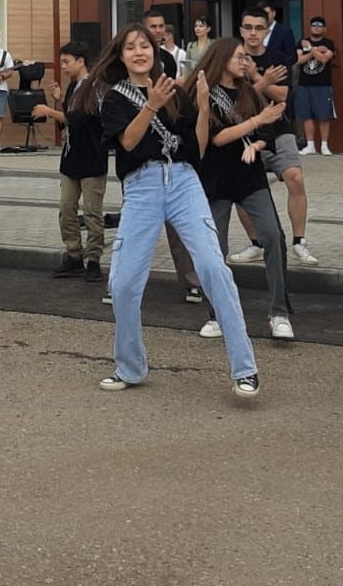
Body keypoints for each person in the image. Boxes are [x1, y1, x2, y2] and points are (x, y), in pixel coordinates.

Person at [84, 23, 260, 397]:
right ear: (121, 56)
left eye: (145, 45)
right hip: (142, 186)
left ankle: (245, 368)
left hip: (182, 182)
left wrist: (200, 107)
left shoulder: (174, 92)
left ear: (156, 51)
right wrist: (151, 105)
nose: (139, 52)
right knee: (124, 283)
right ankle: (130, 368)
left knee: (214, 268)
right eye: (130, 47)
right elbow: (129, 143)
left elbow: (195, 148)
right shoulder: (115, 97)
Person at [191, 38, 295, 341]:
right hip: (215, 180)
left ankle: (279, 312)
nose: (244, 61)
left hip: (250, 178)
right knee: (214, 249)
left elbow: (269, 132)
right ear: (221, 58)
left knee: (274, 236)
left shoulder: (250, 92)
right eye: (239, 56)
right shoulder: (206, 93)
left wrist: (258, 142)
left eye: (246, 57)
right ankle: (216, 313)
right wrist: (256, 121)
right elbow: (217, 138)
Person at [229, 6, 316, 265]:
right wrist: (265, 82)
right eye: (248, 27)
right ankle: (256, 243)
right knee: (240, 189)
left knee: (295, 177)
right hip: (244, 132)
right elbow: (237, 104)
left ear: (267, 31)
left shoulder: (279, 58)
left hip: (279, 130)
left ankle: (299, 241)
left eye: (258, 28)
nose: (253, 33)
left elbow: (283, 97)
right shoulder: (231, 59)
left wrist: (256, 75)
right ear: (241, 29)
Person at [33, 41, 107, 283]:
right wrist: (58, 101)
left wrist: (49, 110)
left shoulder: (95, 86)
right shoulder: (74, 85)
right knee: (67, 209)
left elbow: (79, 118)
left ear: (80, 61)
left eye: (66, 61)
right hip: (71, 157)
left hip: (92, 156)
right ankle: (74, 254)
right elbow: (67, 120)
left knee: (93, 212)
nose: (63, 67)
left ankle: (94, 259)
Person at [294, 18, 337, 156]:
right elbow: (299, 60)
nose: (316, 27)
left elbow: (325, 59)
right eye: (314, 25)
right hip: (304, 84)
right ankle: (310, 145)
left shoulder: (328, 43)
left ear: (324, 29)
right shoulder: (302, 42)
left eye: (320, 25)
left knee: (324, 115)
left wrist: (311, 48)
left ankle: (324, 145)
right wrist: (316, 51)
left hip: (323, 84)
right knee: (306, 115)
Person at [142, 8, 180, 77]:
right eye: (153, 27)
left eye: (161, 26)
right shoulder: (137, 56)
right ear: (144, 29)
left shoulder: (169, 59)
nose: (158, 30)